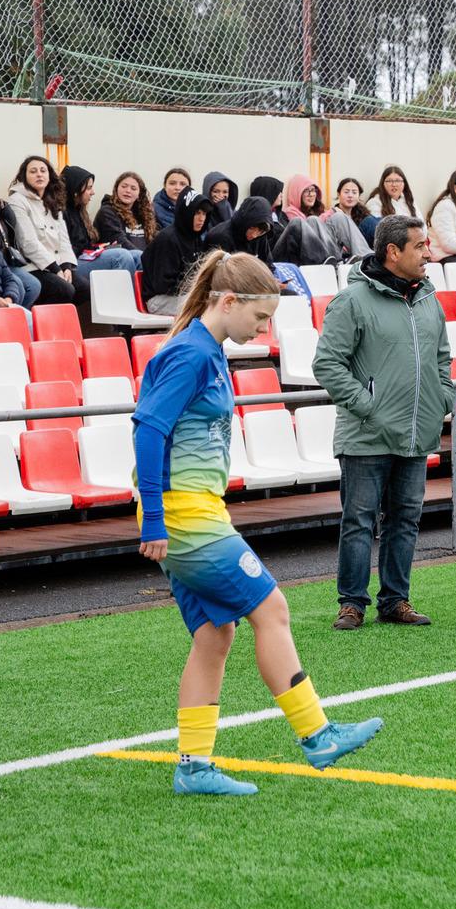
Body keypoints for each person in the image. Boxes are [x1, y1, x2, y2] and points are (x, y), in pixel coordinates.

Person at [132, 251, 384, 796]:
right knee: (271, 609)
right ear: (227, 302)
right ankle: (317, 735)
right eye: (260, 318)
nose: (265, 329)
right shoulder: (191, 355)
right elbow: (147, 430)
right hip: (186, 517)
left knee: (213, 635)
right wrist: (154, 517)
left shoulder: (206, 350)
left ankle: (193, 767)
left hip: (194, 510)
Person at [311, 217, 451, 631]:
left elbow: (442, 359)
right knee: (359, 521)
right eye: (420, 246)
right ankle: (352, 603)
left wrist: (442, 397)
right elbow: (327, 363)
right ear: (393, 252)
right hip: (365, 434)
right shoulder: (352, 300)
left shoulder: (429, 299)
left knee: (405, 519)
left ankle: (395, 601)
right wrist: (366, 406)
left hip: (415, 432)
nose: (429, 253)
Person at [5, 154, 78, 305]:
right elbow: (28, 243)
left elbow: (64, 240)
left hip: (56, 264)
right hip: (33, 266)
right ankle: (41, 322)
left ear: (49, 175)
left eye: (43, 170)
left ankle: (59, 322)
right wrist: (55, 269)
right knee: (64, 290)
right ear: (24, 176)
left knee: (83, 287)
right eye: (33, 171)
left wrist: (66, 267)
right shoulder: (17, 200)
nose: (39, 174)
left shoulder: (52, 200)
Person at [60, 165, 144, 290]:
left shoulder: (79, 210)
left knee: (138, 255)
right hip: (72, 264)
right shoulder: (61, 212)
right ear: (76, 190)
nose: (93, 192)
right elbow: (66, 247)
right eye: (89, 188)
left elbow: (85, 244)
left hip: (85, 257)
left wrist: (102, 248)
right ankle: (121, 303)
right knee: (122, 256)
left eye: (133, 188)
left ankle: (143, 301)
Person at [142, 189, 215, 316]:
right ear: (186, 213)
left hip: (183, 296)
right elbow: (162, 285)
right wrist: (196, 290)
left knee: (218, 301)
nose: (201, 218)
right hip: (159, 299)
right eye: (197, 213)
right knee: (206, 306)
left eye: (204, 214)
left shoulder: (195, 237)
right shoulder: (168, 239)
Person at [281, 174, 369, 264]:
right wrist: (328, 214)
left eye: (313, 190)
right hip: (311, 257)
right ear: (297, 193)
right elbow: (305, 236)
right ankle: (336, 261)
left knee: (338, 217)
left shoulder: (319, 211)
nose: (311, 194)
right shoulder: (290, 213)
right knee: (313, 220)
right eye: (306, 191)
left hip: (332, 253)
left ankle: (366, 257)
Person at [204, 196, 280, 265]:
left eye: (260, 231)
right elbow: (216, 273)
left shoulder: (260, 236)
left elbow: (267, 264)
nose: (254, 235)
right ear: (244, 221)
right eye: (251, 228)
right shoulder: (220, 237)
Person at [96, 171, 157, 254]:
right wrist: (145, 258)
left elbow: (155, 239)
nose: (128, 191)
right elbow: (119, 241)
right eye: (124, 186)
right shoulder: (107, 212)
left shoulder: (144, 214)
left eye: (133, 188)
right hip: (122, 259)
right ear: (116, 189)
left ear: (139, 194)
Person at [151, 167, 192, 232]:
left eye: (183, 184)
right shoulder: (153, 209)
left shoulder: (195, 209)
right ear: (165, 185)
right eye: (172, 183)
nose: (177, 188)